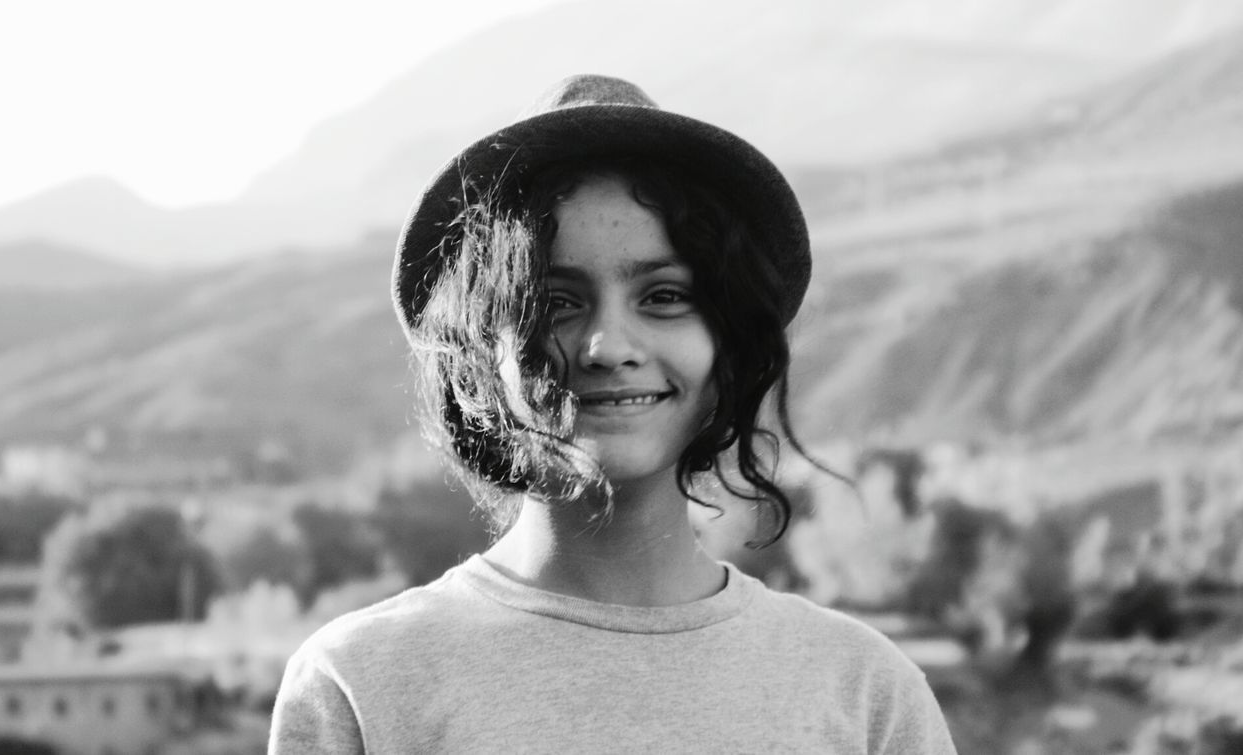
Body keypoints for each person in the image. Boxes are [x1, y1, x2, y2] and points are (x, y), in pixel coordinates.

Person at [268, 74, 957, 754]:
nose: (608, 346)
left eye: (663, 296)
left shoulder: (864, 694)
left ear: (729, 340)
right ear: (481, 351)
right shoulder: (360, 685)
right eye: (556, 302)